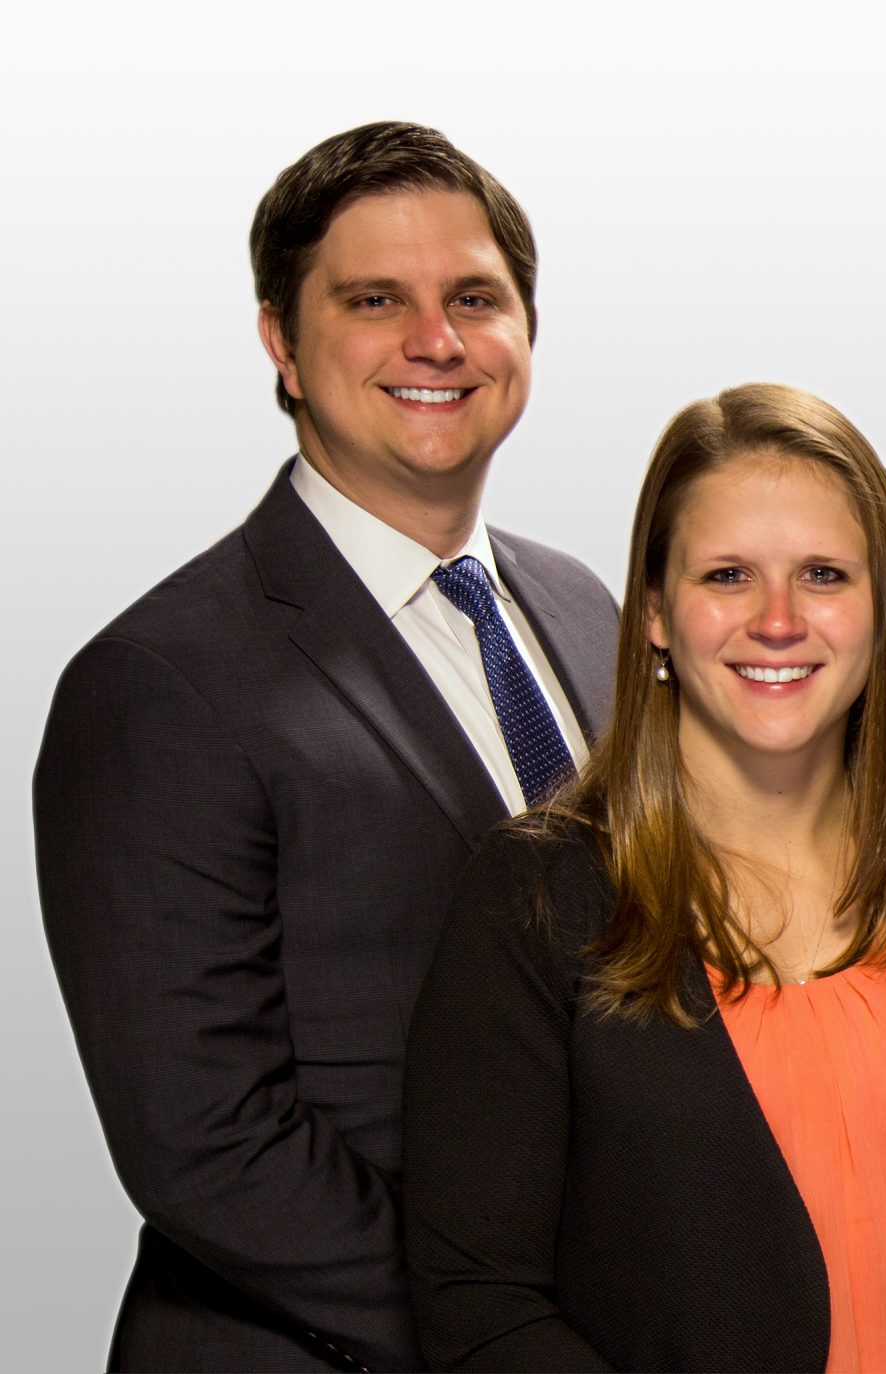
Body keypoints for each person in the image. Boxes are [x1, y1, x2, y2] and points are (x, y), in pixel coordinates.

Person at [31, 122, 616, 1372]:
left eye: (475, 298)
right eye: (373, 301)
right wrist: (503, 1333)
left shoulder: (584, 611)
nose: (435, 340)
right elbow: (205, 1140)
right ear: (282, 345)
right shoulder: (158, 683)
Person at [402, 384, 886, 1372]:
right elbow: (481, 1300)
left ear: (883, 611)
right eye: (728, 575)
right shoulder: (536, 896)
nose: (778, 620)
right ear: (654, 612)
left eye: (823, 575)